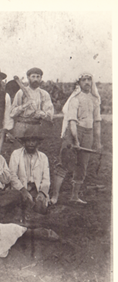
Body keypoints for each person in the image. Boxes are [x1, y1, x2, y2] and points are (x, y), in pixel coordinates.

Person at [50, 73, 102, 205]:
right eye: (83, 80)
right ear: (79, 83)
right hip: (75, 132)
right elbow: (72, 121)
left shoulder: (95, 99)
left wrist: (98, 141)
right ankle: (55, 195)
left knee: (82, 164)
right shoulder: (75, 99)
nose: (86, 82)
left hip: (88, 133)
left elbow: (97, 121)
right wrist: (76, 139)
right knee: (64, 161)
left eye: (89, 79)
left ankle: (74, 195)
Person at [9, 127, 50, 214]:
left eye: (34, 141)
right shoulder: (16, 154)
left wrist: (42, 193)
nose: (31, 143)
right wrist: (22, 190)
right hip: (20, 188)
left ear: (38, 143)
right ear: (24, 142)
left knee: (40, 208)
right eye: (28, 141)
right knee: (22, 207)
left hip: (36, 189)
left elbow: (46, 179)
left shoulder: (43, 157)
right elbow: (12, 175)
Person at [10, 67, 54, 138]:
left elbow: (50, 114)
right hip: (21, 126)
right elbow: (12, 113)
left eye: (38, 77)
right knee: (19, 148)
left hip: (36, 126)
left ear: (41, 78)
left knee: (34, 147)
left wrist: (41, 114)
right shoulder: (21, 93)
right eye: (33, 77)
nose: (35, 79)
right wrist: (25, 105)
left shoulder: (44, 94)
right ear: (28, 77)